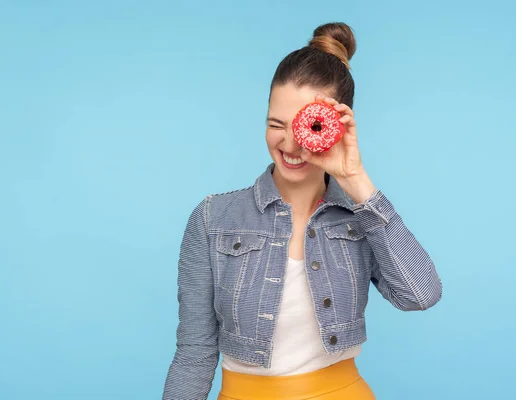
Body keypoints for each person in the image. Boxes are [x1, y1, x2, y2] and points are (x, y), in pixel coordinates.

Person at [162, 22, 442, 400]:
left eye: (304, 126)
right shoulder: (214, 218)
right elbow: (194, 352)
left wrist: (356, 180)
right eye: (276, 124)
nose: (290, 143)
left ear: (338, 127)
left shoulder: (361, 218)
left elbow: (420, 294)